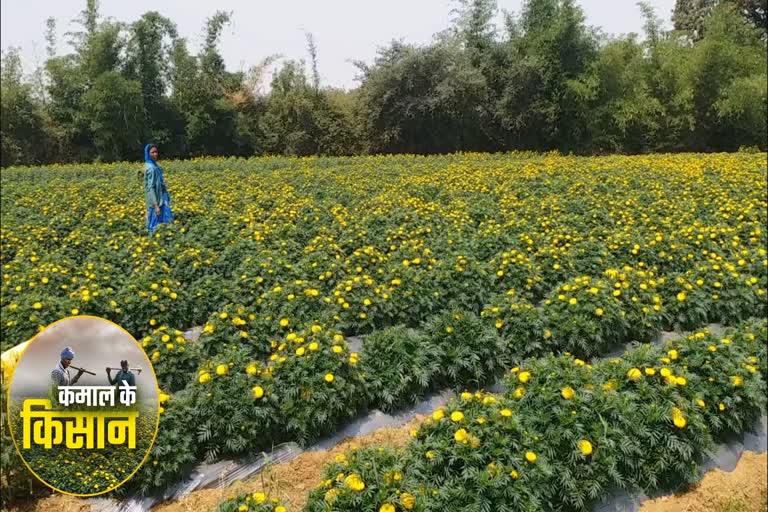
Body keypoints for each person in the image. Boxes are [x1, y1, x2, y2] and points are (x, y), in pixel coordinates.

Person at [143, 143, 174, 235]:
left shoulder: (152, 165)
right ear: (148, 154)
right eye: (152, 152)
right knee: (155, 225)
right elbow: (150, 188)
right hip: (156, 201)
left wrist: (162, 184)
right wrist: (156, 206)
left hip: (158, 198)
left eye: (156, 152)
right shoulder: (151, 168)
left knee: (159, 225)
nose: (155, 154)